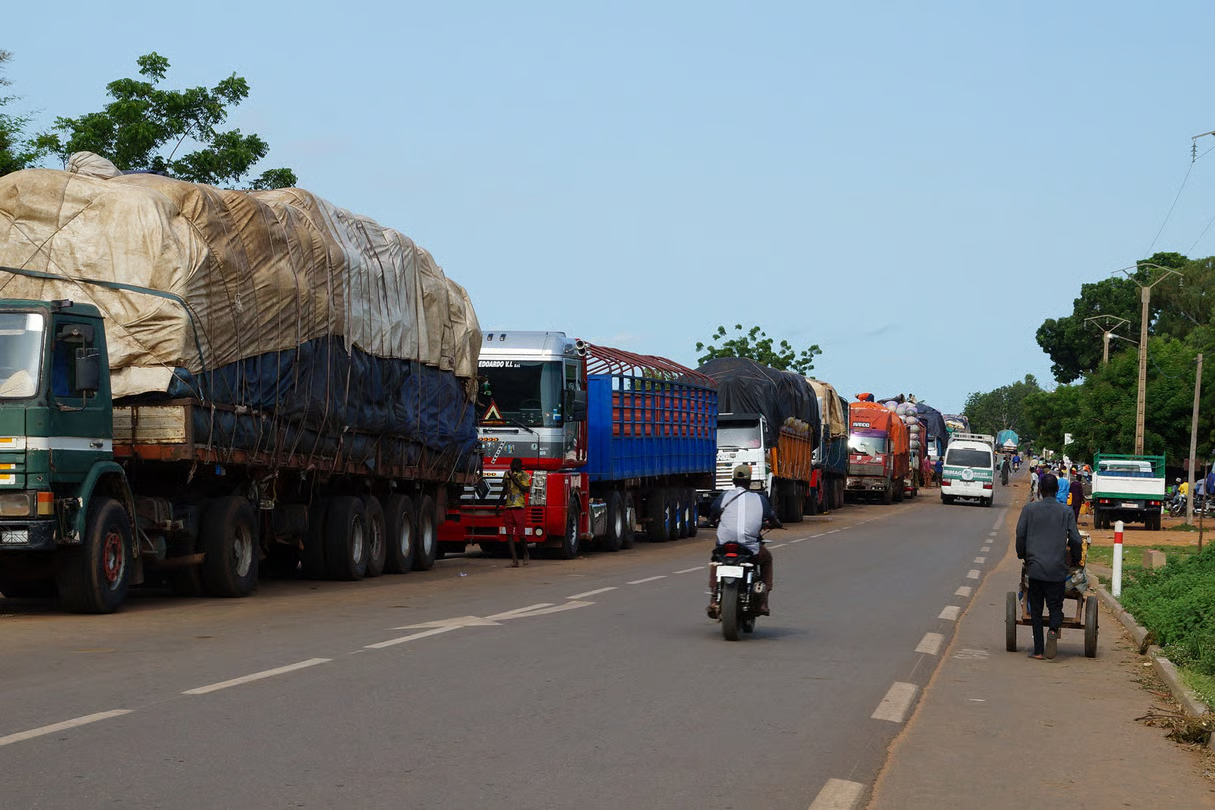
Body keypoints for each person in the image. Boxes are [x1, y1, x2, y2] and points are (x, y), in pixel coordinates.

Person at [1016, 473, 1085, 660]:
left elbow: (1020, 535)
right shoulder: (1066, 512)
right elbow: (1077, 540)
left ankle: (1038, 650)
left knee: (1036, 610)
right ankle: (1053, 630)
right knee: (1056, 607)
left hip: (1036, 568)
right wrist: (1076, 560)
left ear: (1040, 490)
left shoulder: (1029, 509)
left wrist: (1022, 555)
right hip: (1057, 569)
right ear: (1057, 491)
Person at [707, 464, 781, 617]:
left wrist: (712, 520)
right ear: (749, 481)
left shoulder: (724, 496)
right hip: (749, 548)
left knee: (716, 559)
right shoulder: (760, 500)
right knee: (767, 559)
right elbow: (772, 518)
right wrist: (775, 524)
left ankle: (714, 599)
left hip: (725, 545)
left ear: (733, 481)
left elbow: (713, 513)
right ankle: (763, 601)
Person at [499, 458, 532, 567]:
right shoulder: (506, 474)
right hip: (509, 506)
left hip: (519, 506)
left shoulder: (524, 475)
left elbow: (526, 489)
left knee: (521, 534)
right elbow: (504, 489)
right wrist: (499, 503)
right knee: (509, 535)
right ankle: (515, 560)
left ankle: (526, 553)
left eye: (516, 465)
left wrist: (513, 478)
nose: (513, 466)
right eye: (512, 464)